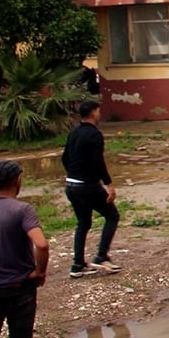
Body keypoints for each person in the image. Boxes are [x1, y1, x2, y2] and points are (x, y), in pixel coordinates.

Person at [0, 161, 49, 338]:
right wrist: (40, 272)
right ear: (18, 181)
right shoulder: (22, 210)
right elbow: (41, 245)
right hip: (20, 286)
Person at [62, 100, 121, 278]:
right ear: (94, 113)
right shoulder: (94, 135)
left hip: (71, 185)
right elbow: (98, 162)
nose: (99, 113)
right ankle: (101, 256)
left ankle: (78, 264)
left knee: (83, 223)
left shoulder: (74, 133)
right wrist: (109, 184)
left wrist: (73, 174)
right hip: (87, 186)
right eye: (98, 110)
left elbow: (65, 157)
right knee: (112, 215)